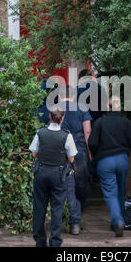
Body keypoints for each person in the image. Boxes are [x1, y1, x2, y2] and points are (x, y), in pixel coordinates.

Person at [44, 85, 92, 235]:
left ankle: (74, 220)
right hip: (79, 151)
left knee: (68, 187)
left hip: (61, 152)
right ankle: (76, 218)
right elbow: (87, 131)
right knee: (81, 185)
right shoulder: (82, 107)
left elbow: (50, 130)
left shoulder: (54, 109)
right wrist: (90, 152)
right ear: (73, 96)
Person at [29, 107, 78, 247]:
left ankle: (39, 241)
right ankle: (55, 241)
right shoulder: (66, 135)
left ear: (49, 117)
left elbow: (34, 153)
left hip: (42, 172)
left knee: (39, 207)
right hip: (59, 174)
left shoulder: (40, 132)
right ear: (62, 118)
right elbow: (72, 158)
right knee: (57, 208)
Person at [88, 96, 131, 237]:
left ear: (107, 107)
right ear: (119, 107)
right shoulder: (126, 122)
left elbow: (92, 143)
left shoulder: (100, 122)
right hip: (122, 159)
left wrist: (96, 155)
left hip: (105, 161)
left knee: (110, 193)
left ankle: (118, 220)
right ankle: (116, 223)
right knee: (121, 191)